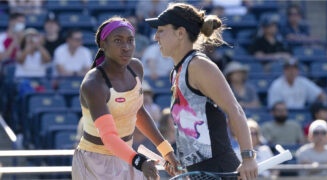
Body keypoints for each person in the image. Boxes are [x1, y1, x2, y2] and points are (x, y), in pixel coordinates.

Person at [145, 3, 258, 180]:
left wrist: (248, 158)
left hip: (220, 170)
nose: (155, 37)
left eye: (161, 30)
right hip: (198, 173)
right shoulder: (177, 71)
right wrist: (181, 163)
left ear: (180, 33)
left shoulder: (199, 66)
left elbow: (235, 110)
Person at [72, 16, 179, 180]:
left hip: (127, 156)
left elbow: (138, 112)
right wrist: (139, 162)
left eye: (130, 40)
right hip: (94, 162)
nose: (126, 47)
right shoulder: (93, 84)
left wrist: (167, 151)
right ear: (103, 44)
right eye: (118, 41)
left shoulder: (136, 68)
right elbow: (108, 137)